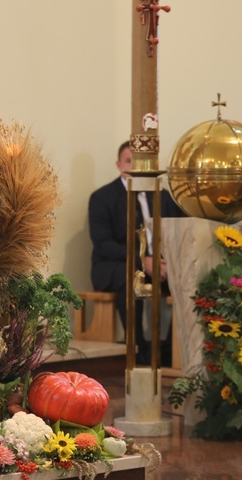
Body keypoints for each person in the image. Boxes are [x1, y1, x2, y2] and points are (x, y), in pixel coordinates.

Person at [88, 141, 185, 365]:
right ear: (119, 165)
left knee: (187, 275)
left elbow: (179, 232)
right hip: (116, 265)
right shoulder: (102, 197)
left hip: (159, 263)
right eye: (129, 161)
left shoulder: (164, 197)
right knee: (131, 275)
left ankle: (171, 349)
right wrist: (143, 261)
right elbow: (103, 244)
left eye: (140, 162)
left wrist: (168, 261)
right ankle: (138, 346)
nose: (134, 167)